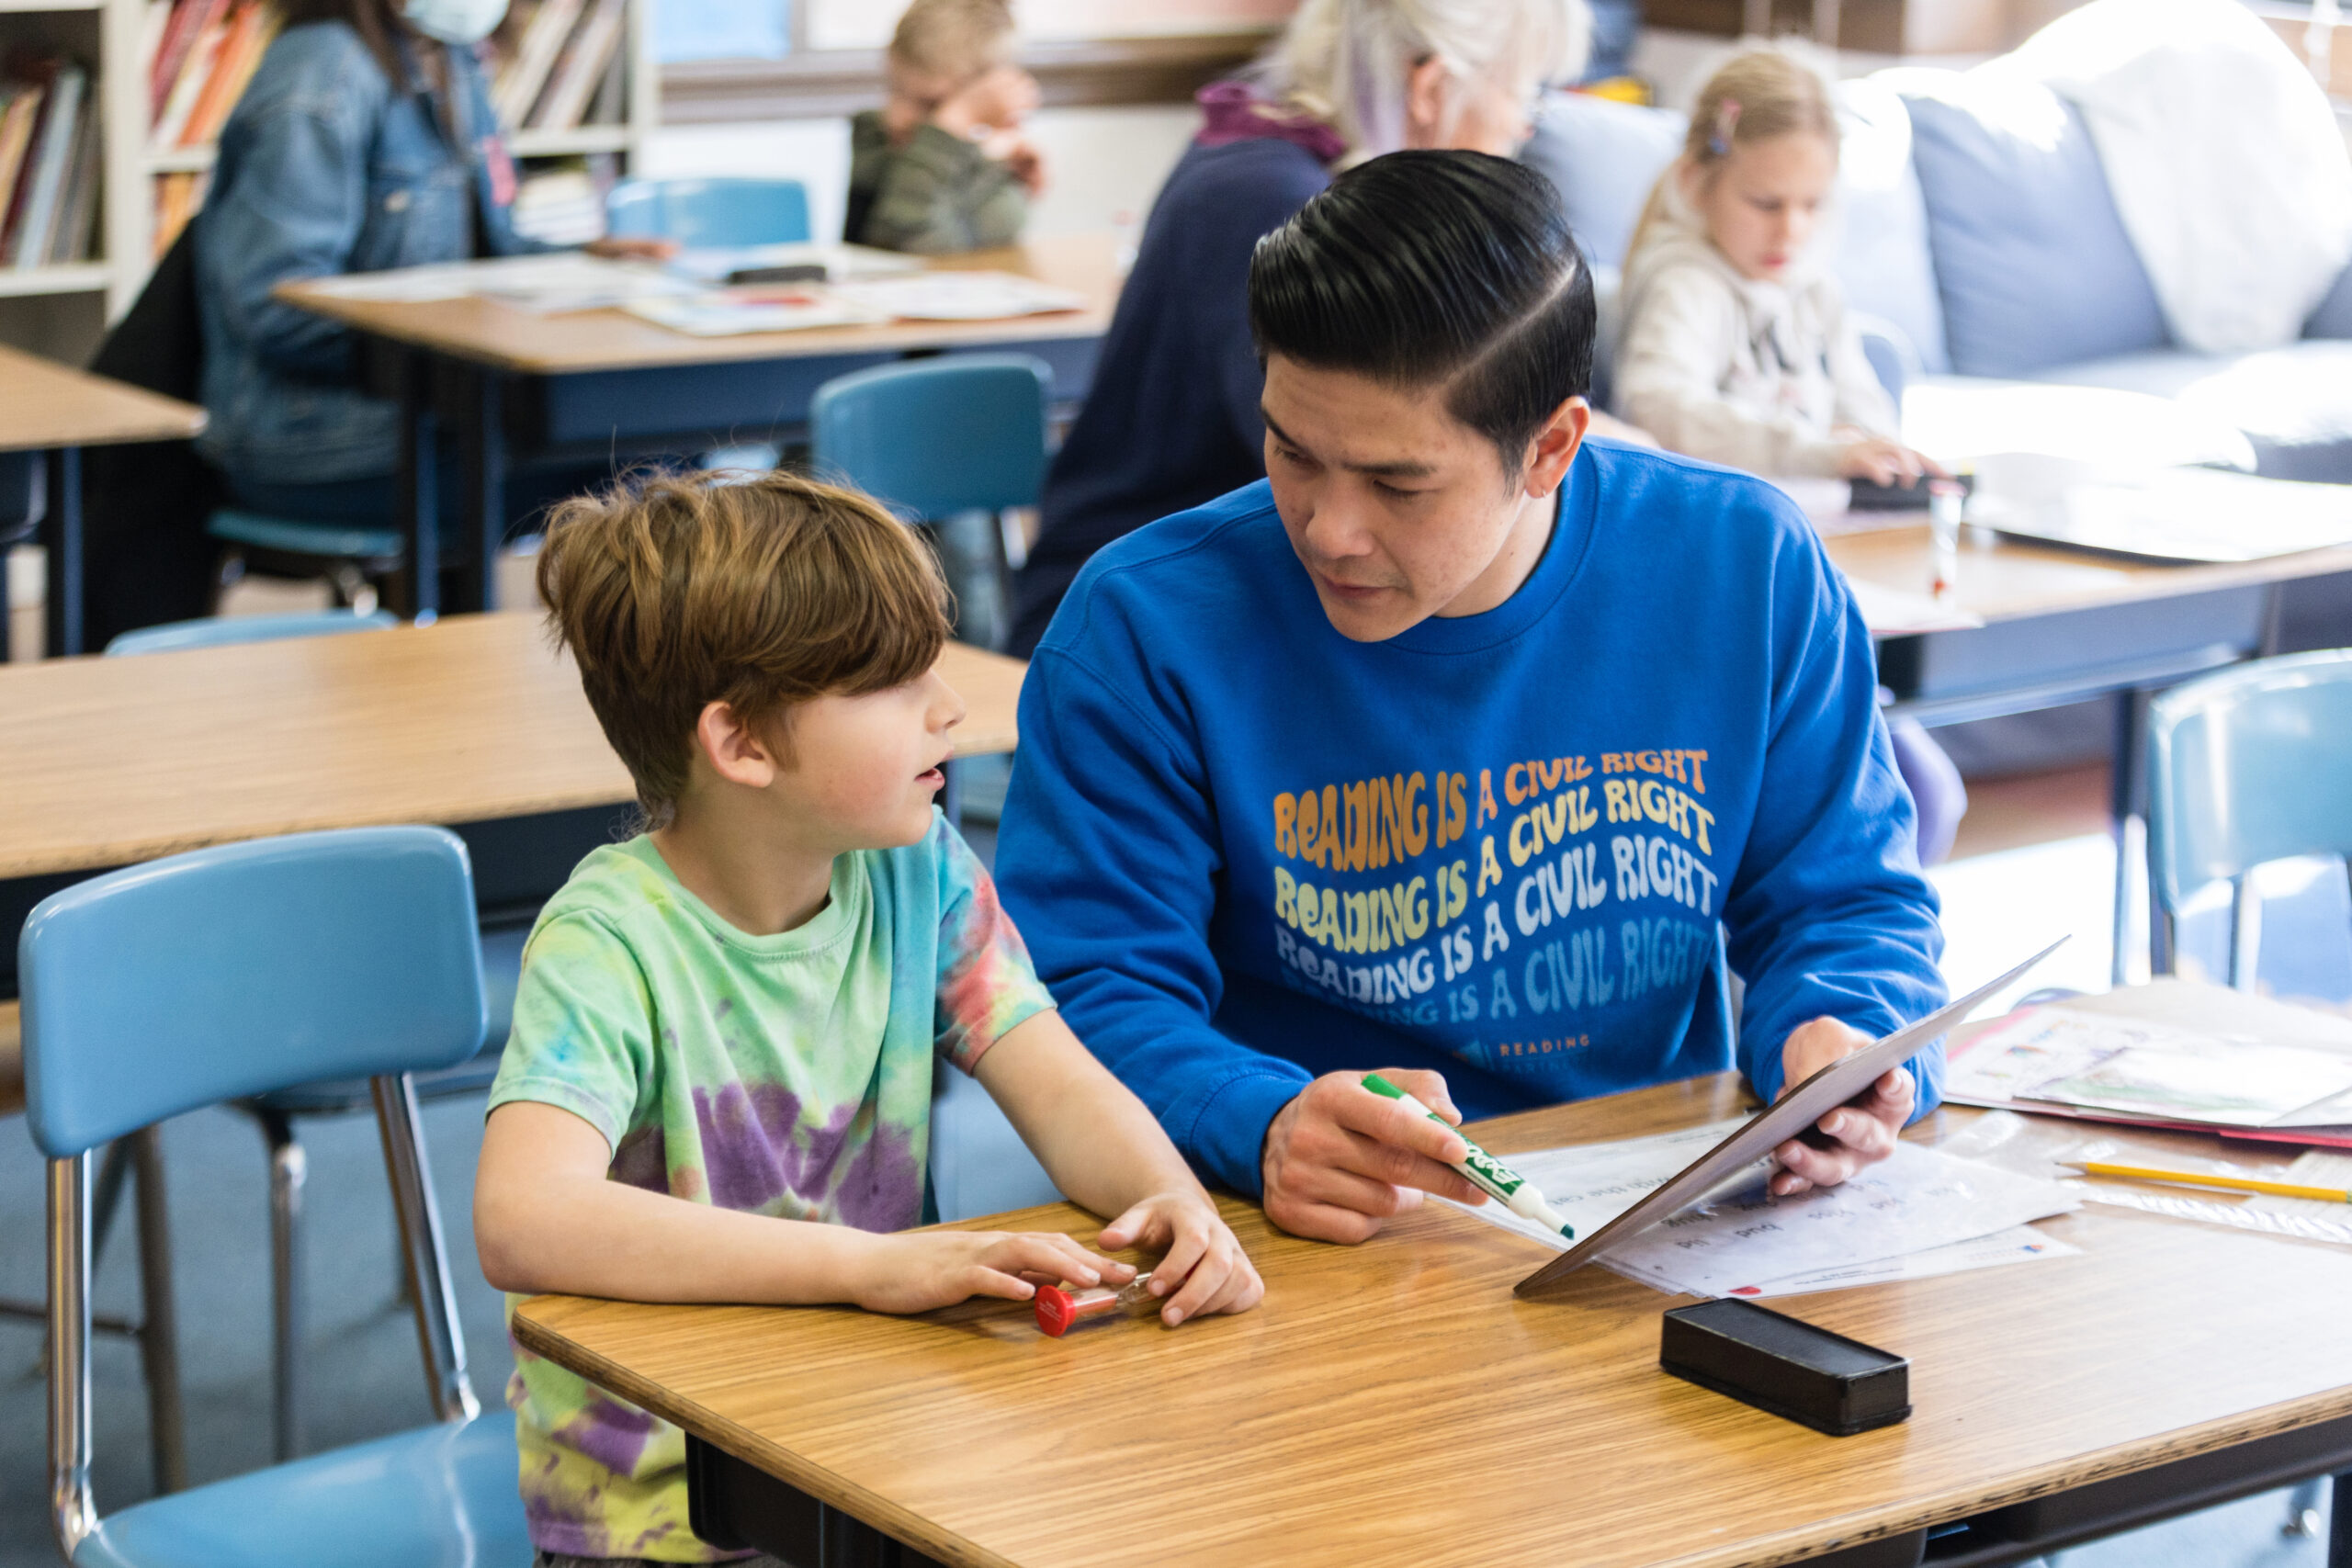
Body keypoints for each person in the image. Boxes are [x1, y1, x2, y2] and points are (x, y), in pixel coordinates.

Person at [996, 152, 1948, 1248]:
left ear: (1550, 448)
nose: (1327, 527)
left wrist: (1853, 1046)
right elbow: (1079, 991)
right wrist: (1256, 1118)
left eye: (1398, 483)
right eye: (1291, 452)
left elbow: (1849, 907)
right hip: (1300, 1236)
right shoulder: (1143, 624)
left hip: (1653, 1217)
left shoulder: (1749, 567)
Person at [473, 471, 1261, 1566]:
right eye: (894, 684)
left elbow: (1058, 1079)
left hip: (877, 1444)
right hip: (665, 1511)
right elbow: (523, 1217)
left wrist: (1170, 1204)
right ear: (741, 743)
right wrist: (864, 1268)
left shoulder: (916, 869)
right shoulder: (610, 942)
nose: (948, 708)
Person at [1004, 0, 1593, 658]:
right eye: (1524, 95)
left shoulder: (1264, 162)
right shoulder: (1274, 201)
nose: (1522, 128)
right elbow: (1341, 444)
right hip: (1160, 616)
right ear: (1431, 89)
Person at [1614, 51, 1966, 862]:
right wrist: (1818, 449)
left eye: (1812, 204)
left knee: (1929, 799)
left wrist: (1890, 454)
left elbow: (1858, 405)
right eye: (1766, 202)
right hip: (1730, 592)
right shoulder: (1686, 284)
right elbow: (1663, 407)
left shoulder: (1813, 288)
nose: (1791, 230)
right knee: (1905, 799)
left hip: (1829, 575)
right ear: (1701, 180)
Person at [193, 0, 668, 528]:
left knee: (664, 443)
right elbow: (274, 305)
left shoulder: (449, 59)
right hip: (323, 445)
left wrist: (587, 264)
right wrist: (457, 340)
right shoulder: (318, 75)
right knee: (657, 479)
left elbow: (489, 253)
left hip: (440, 420)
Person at [846, 0, 1045, 254]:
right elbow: (914, 245)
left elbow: (1000, 231)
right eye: (895, 89)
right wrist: (949, 127)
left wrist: (963, 136)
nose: (898, 116)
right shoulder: (875, 136)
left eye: (930, 104)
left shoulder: (988, 151)